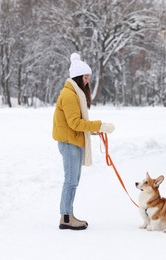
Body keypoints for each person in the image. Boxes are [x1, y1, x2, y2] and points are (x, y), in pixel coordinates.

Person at [52, 53, 115, 230]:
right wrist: (100, 125)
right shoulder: (69, 95)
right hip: (69, 143)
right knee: (70, 181)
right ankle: (65, 217)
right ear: (78, 77)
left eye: (88, 77)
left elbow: (75, 123)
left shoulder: (74, 93)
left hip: (74, 141)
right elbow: (74, 123)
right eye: (86, 77)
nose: (88, 81)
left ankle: (68, 214)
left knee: (73, 181)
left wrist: (95, 130)